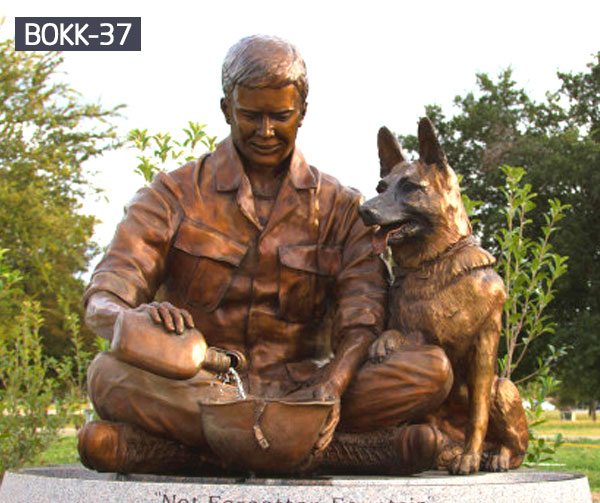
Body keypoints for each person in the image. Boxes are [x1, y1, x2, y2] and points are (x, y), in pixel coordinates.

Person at [78, 35, 452, 475]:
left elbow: (363, 317)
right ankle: (325, 450)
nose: (266, 130)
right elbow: (103, 297)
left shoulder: (340, 207)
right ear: (225, 110)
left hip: (306, 391)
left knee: (430, 370)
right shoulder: (171, 195)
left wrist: (332, 382)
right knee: (107, 375)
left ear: (303, 112)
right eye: (250, 116)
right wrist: (133, 323)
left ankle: (201, 450)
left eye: (281, 116)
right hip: (201, 388)